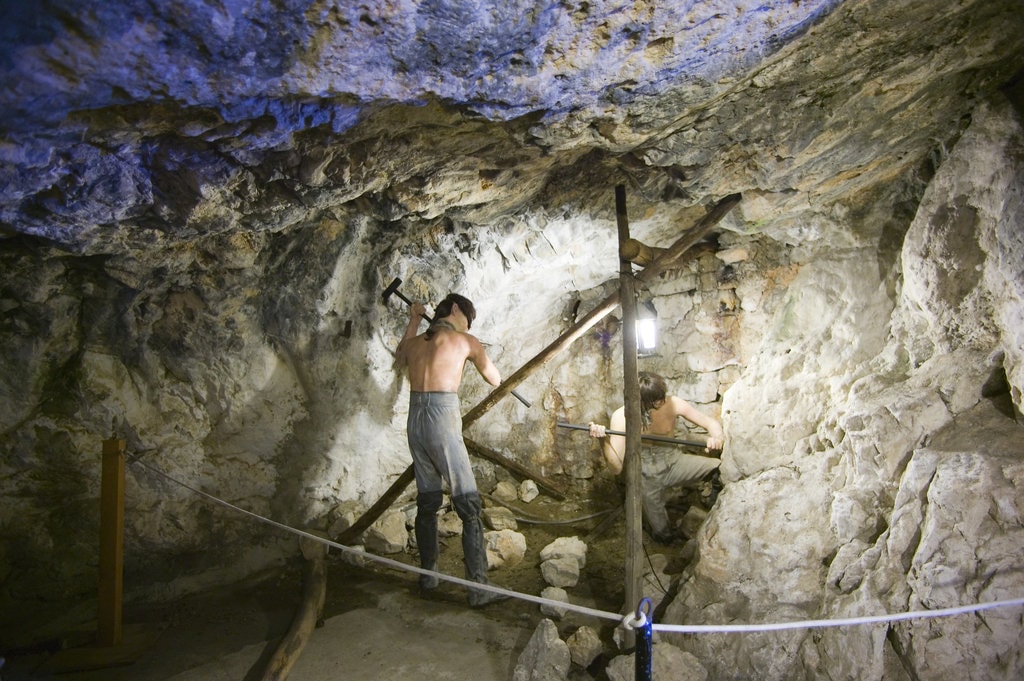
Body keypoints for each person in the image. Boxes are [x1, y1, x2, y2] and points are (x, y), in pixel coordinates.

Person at [395, 293, 507, 607]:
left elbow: (401, 354)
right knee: (469, 505)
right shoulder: (466, 341)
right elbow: (495, 379)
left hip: (415, 419)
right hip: (441, 419)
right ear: (456, 309)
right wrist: (476, 349)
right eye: (467, 319)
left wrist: (414, 318)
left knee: (428, 500)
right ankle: (478, 590)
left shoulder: (416, 343)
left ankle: (429, 577)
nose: (467, 326)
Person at [589, 371, 725, 543]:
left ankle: (713, 509)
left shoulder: (673, 403)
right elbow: (616, 468)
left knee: (719, 468)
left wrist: (716, 438)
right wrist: (603, 441)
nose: (660, 403)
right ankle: (664, 536)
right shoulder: (622, 417)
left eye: (661, 398)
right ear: (640, 401)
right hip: (645, 472)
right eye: (654, 402)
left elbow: (710, 422)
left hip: (674, 461)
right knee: (662, 534)